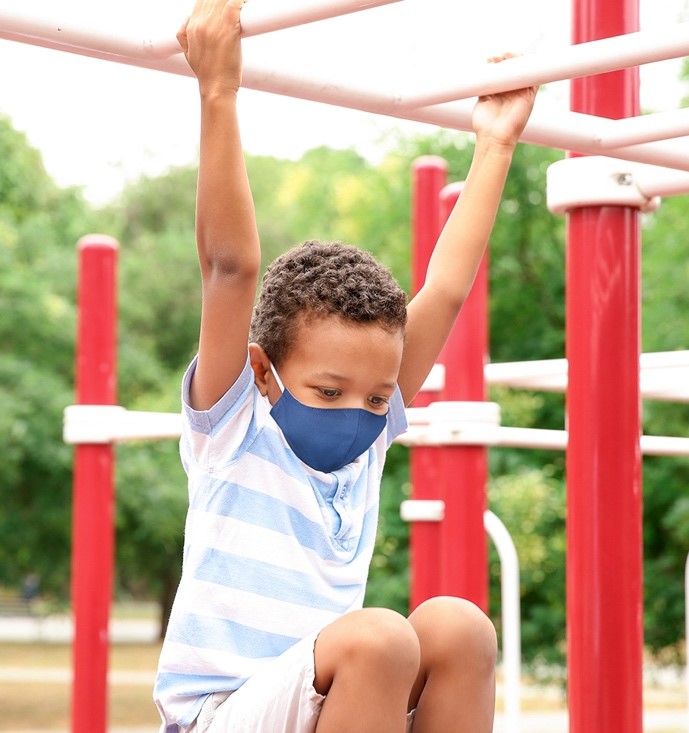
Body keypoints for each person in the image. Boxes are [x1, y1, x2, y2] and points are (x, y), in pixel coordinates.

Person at [153, 0, 537, 731]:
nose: (359, 413)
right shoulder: (234, 428)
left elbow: (446, 291)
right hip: (219, 714)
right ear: (264, 375)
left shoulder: (366, 441)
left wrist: (494, 144)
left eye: (375, 398)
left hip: (317, 698)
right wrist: (217, 91)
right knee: (381, 633)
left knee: (459, 626)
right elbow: (230, 269)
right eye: (328, 390)